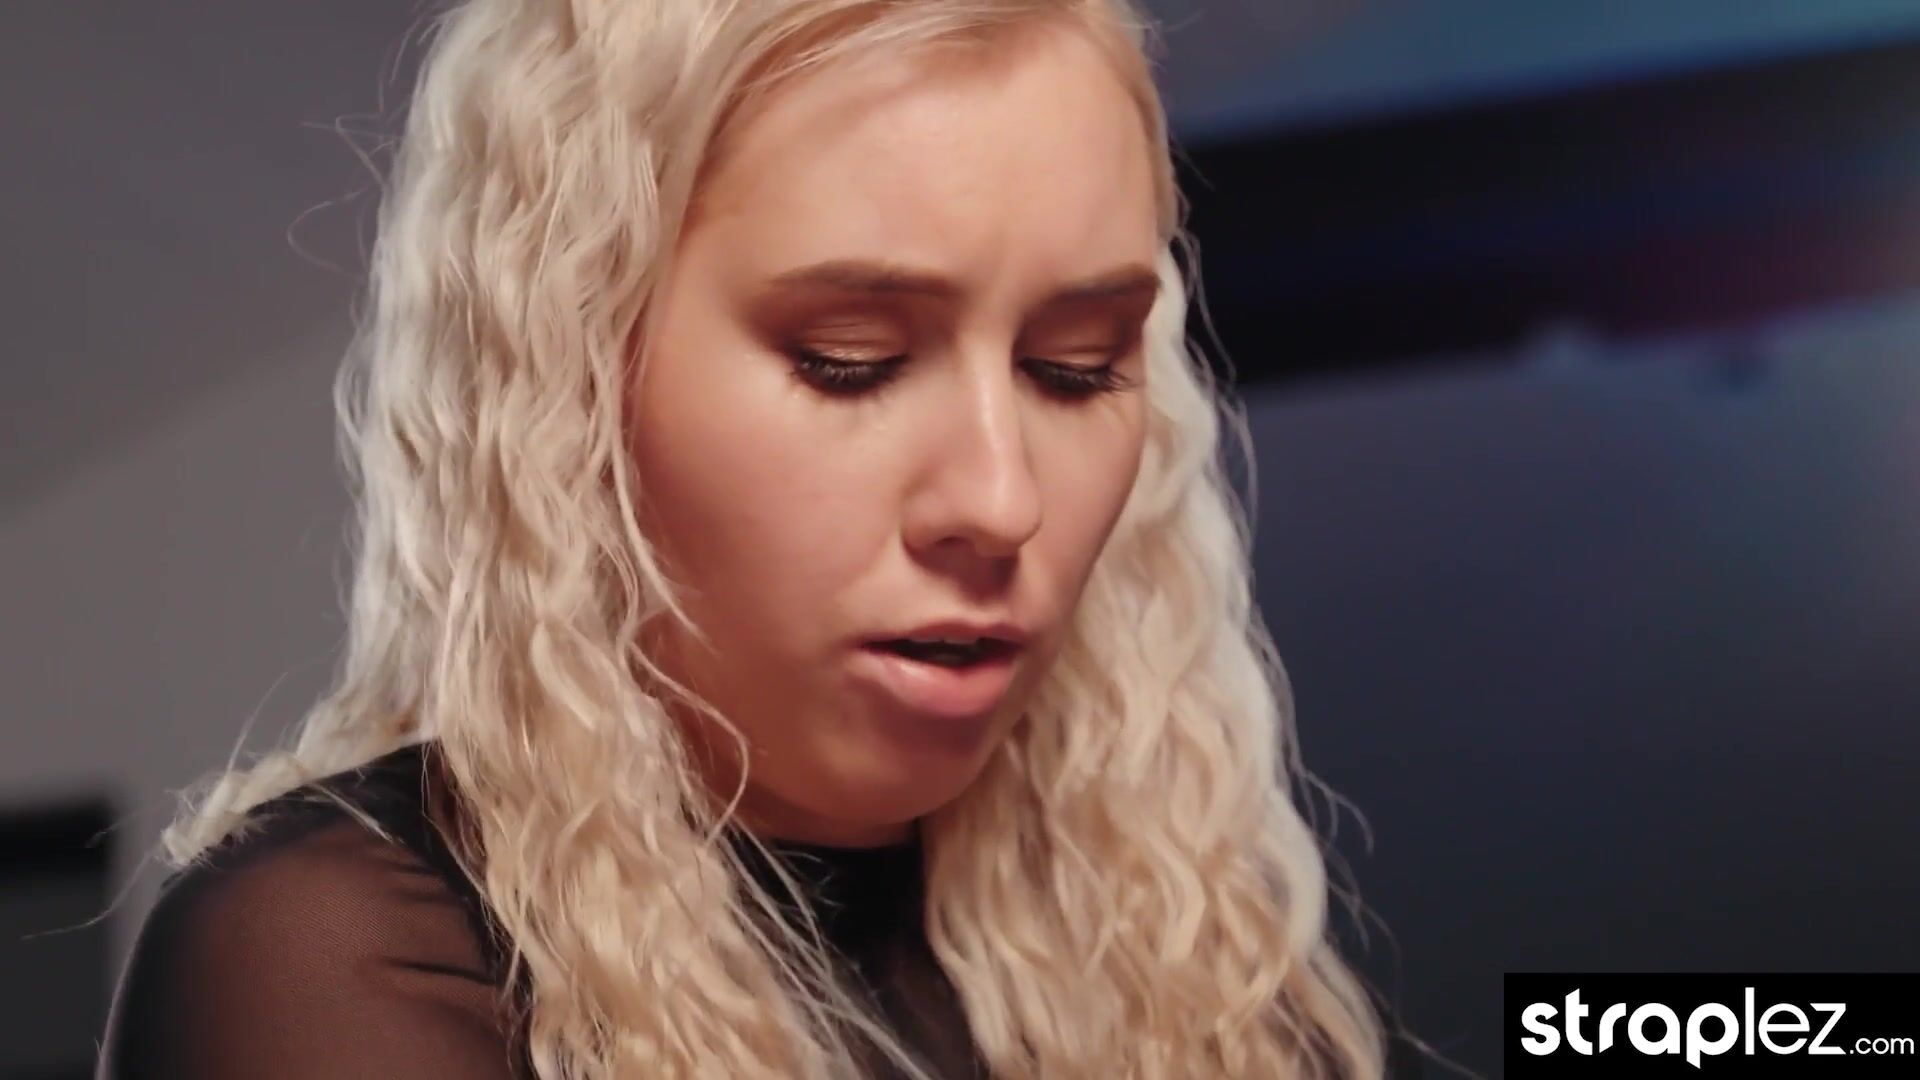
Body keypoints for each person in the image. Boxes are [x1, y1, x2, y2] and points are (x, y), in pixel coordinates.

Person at [97, 1, 1423, 1077]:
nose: (1001, 498)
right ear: (572, 381)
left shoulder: (1187, 980)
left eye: (1074, 368)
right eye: (851, 361)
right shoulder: (335, 958)